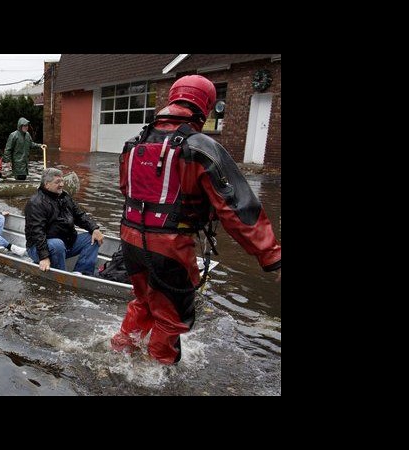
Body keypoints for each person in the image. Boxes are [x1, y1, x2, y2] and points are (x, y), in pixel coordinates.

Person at [111, 74, 281, 365]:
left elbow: (128, 191)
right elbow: (236, 207)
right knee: (172, 317)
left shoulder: (133, 143)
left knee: (145, 300)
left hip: (130, 239)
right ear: (205, 106)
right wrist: (272, 256)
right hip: (169, 248)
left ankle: (121, 349)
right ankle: (158, 372)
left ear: (173, 99)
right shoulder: (200, 146)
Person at [24, 167, 104, 276]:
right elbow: (37, 232)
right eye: (57, 182)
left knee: (93, 238)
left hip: (65, 245)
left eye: (62, 181)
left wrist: (94, 228)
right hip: (39, 248)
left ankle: (82, 273)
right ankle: (62, 276)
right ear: (47, 184)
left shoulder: (64, 197)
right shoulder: (36, 203)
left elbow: (80, 215)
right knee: (57, 244)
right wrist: (44, 257)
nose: (62, 184)